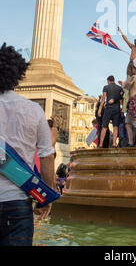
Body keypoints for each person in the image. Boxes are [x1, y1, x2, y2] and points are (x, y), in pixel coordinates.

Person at [0, 43, 55, 246]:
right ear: (18, 74)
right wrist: (45, 196)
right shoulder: (33, 110)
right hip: (18, 202)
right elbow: (47, 156)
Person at [119, 68, 136, 147]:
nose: (132, 70)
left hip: (134, 100)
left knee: (134, 122)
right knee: (128, 123)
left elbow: (127, 86)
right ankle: (131, 142)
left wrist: (123, 83)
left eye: (133, 68)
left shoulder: (134, 77)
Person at [98, 76, 124, 148]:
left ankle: (101, 144)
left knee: (104, 126)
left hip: (108, 108)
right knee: (115, 126)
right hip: (116, 109)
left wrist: (100, 109)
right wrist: (121, 108)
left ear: (108, 81)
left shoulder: (106, 87)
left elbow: (103, 98)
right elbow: (122, 97)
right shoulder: (119, 88)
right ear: (114, 80)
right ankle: (114, 143)